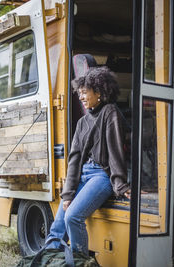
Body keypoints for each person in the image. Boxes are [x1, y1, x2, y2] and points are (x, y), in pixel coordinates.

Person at [46, 66, 131, 254]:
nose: (81, 97)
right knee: (58, 226)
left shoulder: (110, 112)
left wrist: (121, 184)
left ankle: (80, 261)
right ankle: (49, 258)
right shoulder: (82, 122)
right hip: (82, 175)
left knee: (72, 217)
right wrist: (68, 193)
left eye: (85, 93)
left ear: (99, 92)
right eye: (80, 93)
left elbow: (116, 150)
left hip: (101, 176)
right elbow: (74, 160)